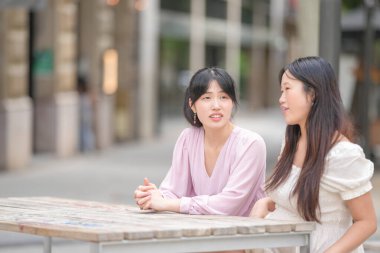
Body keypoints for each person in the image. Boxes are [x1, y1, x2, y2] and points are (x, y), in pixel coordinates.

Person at [250, 56, 377, 253]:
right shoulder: (291, 143)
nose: (281, 99)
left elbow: (367, 222)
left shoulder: (343, 154)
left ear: (313, 93)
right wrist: (264, 203)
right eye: (281, 91)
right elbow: (292, 196)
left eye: (288, 89)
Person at [134, 67, 266, 217]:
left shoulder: (251, 144)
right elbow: (173, 191)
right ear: (192, 105)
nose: (216, 106)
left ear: (233, 102)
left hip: (244, 236)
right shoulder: (188, 138)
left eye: (223, 97)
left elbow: (230, 205)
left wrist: (167, 203)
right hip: (201, 233)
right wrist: (153, 196)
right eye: (206, 98)